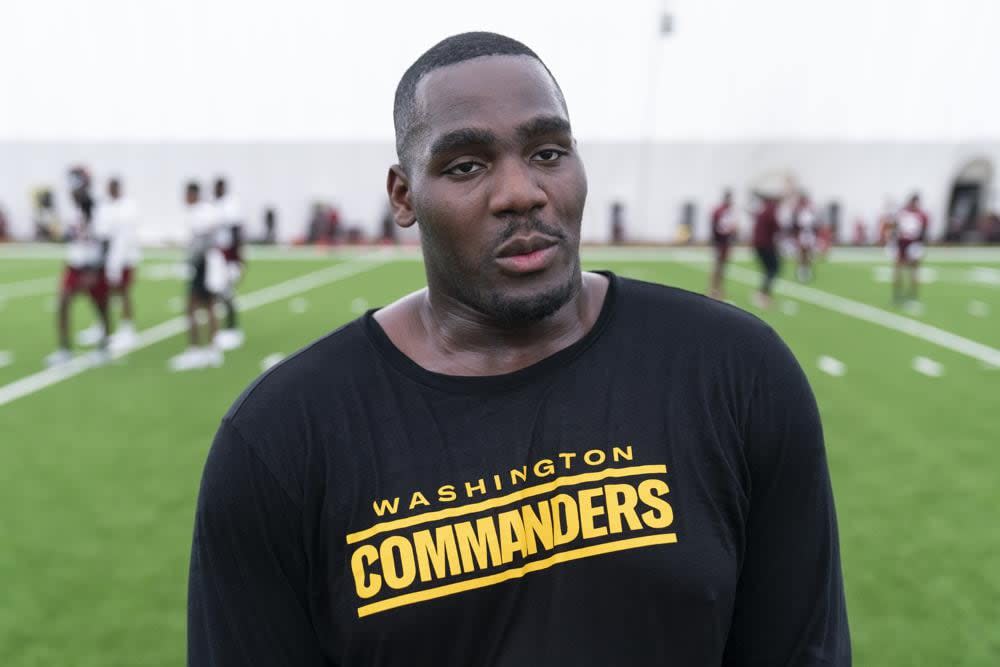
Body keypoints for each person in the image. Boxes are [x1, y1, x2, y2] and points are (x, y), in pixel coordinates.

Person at [188, 32, 850, 666]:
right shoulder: (282, 440)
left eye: (548, 153)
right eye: (467, 165)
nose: (521, 193)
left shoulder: (735, 374)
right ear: (403, 195)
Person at [45, 166, 112, 366]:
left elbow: (105, 241)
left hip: (93, 265)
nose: (72, 192)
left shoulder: (97, 208)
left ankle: (104, 346)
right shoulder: (72, 209)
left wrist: (95, 269)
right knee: (63, 302)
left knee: (100, 307)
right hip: (75, 264)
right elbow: (68, 236)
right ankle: (64, 349)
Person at [77, 177, 141, 350]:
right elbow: (100, 230)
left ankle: (128, 328)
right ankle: (102, 325)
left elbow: (124, 235)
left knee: (123, 292)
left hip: (125, 258)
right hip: (107, 257)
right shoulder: (105, 207)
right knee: (105, 292)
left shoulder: (128, 207)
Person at [169, 182, 224, 371]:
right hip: (207, 262)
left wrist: (191, 260)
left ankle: (196, 350)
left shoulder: (201, 213)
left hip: (204, 264)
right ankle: (212, 349)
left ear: (192, 194)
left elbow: (203, 240)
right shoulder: (205, 211)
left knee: (193, 307)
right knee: (209, 306)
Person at [211, 177, 246, 351]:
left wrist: (237, 259)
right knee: (218, 292)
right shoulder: (215, 206)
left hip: (228, 255)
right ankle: (227, 327)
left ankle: (232, 328)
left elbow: (236, 233)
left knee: (227, 292)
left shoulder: (230, 207)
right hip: (218, 253)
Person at [891, 192, 929, 305]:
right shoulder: (903, 213)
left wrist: (921, 244)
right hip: (902, 243)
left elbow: (923, 231)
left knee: (914, 270)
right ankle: (897, 294)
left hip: (914, 243)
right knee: (898, 268)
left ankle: (912, 295)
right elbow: (896, 227)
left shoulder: (921, 215)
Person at [751, 192, 782, 308]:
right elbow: (776, 226)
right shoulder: (770, 211)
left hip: (760, 244)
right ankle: (763, 294)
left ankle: (763, 293)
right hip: (765, 245)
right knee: (773, 269)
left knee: (769, 269)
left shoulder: (763, 211)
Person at [708, 188, 736, 299]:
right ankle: (713, 289)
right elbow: (719, 228)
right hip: (720, 242)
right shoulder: (721, 211)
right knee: (718, 266)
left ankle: (718, 288)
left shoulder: (727, 211)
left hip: (725, 243)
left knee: (722, 267)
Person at [792, 193, 818, 283]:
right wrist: (796, 236)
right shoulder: (797, 212)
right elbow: (795, 225)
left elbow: (815, 225)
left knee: (809, 253)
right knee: (802, 252)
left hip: (809, 234)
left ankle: (807, 270)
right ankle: (801, 270)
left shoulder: (811, 211)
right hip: (802, 234)